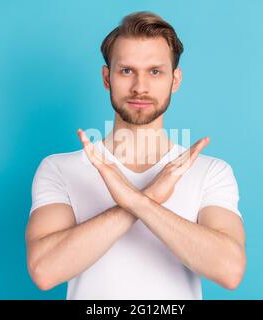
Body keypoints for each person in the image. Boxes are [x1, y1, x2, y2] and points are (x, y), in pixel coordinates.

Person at [25, 11, 246, 300]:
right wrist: (148, 198)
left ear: (175, 80)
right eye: (127, 70)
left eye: (155, 71)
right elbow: (44, 271)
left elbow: (229, 270)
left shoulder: (211, 172)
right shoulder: (59, 169)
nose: (140, 86)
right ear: (107, 78)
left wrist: (135, 200)